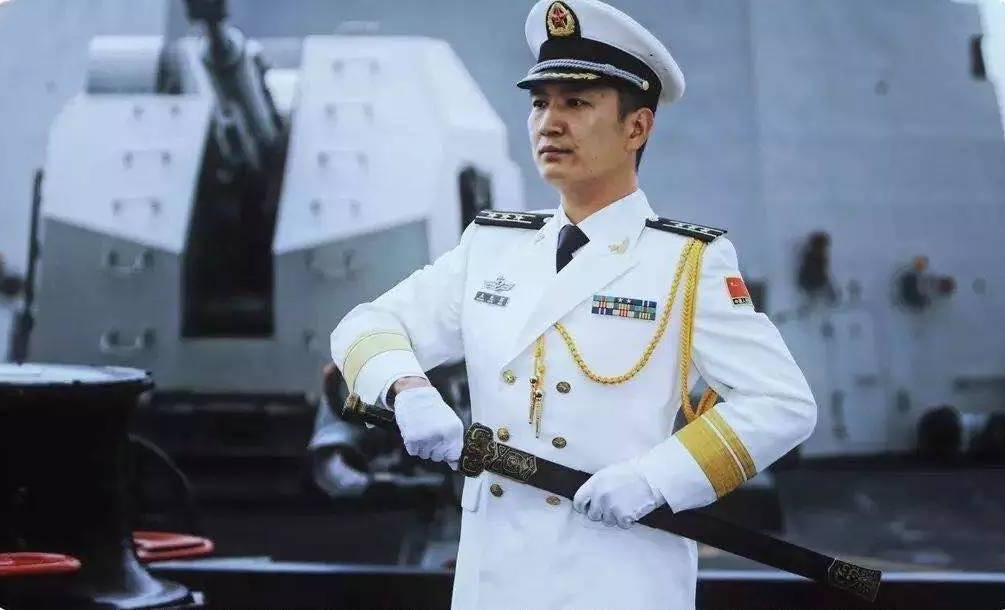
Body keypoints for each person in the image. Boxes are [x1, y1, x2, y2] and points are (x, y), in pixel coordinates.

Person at [329, 0, 818, 607]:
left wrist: (654, 480)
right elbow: (368, 323)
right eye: (540, 102)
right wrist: (408, 390)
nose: (549, 123)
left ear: (637, 128)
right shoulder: (492, 248)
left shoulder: (687, 263)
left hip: (617, 572)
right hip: (495, 577)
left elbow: (781, 403)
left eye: (576, 103)